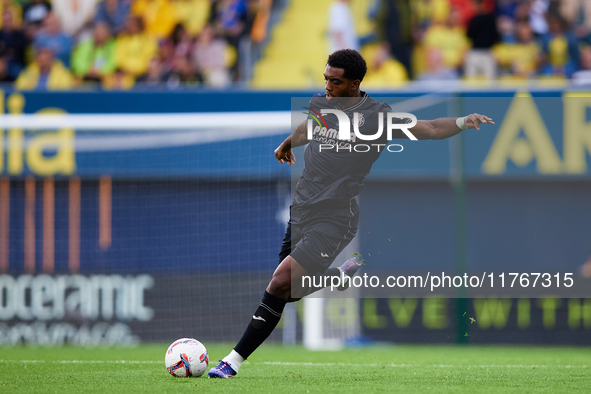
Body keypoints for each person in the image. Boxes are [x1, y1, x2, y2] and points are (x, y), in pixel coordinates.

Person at [207, 49, 494, 379]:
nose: (328, 86)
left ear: (354, 84)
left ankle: (231, 362)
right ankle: (337, 277)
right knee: (290, 291)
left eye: (335, 81)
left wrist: (461, 121)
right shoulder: (321, 103)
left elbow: (428, 127)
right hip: (301, 211)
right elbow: (309, 126)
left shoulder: (376, 119)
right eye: (326, 78)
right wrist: (289, 142)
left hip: (335, 216)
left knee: (279, 283)